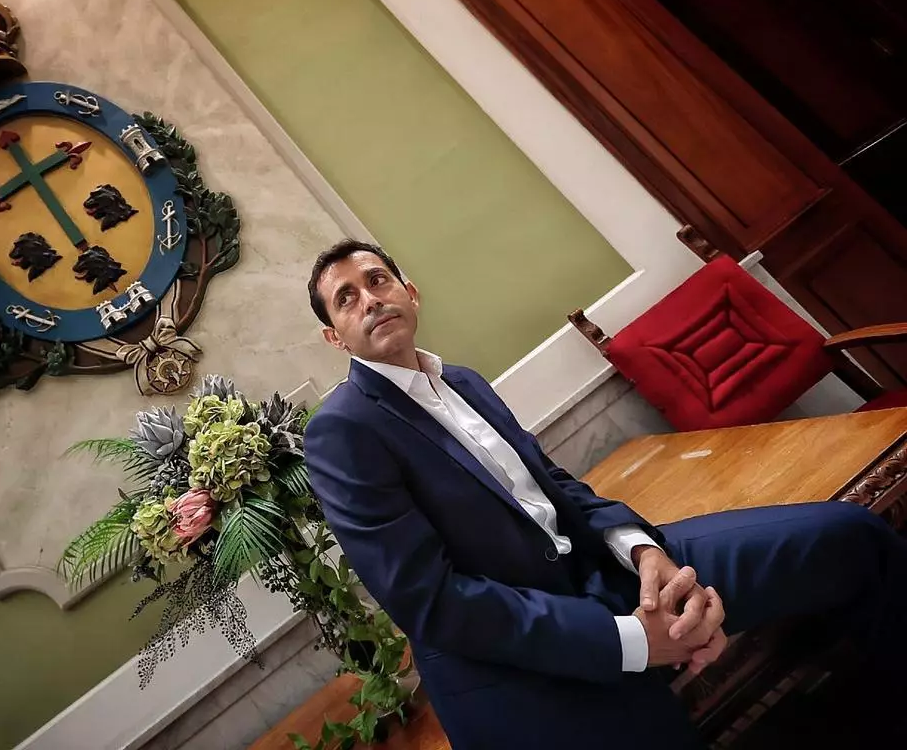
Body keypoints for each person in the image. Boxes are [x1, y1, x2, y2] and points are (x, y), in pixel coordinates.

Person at [303, 239, 907, 750]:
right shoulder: (342, 432)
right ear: (336, 337)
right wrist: (633, 641)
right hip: (510, 651)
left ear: (410, 293)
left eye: (377, 280)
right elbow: (433, 602)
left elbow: (555, 486)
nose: (370, 299)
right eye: (346, 299)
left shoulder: (462, 380)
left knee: (850, 536)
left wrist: (644, 551)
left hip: (605, 573)